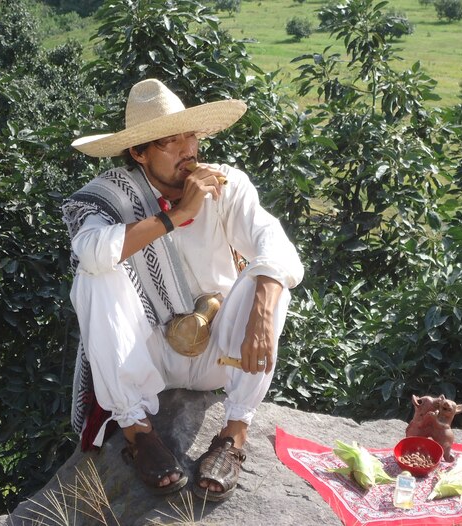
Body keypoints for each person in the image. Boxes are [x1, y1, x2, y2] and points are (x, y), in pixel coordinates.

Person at [61, 78, 304, 500]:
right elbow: (90, 251)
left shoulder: (226, 184)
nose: (188, 149)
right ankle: (139, 434)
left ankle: (233, 435)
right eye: (170, 142)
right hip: (150, 359)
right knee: (94, 271)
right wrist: (177, 214)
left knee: (268, 275)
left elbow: (275, 244)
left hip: (219, 353)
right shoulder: (109, 196)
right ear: (138, 153)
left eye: (190, 135)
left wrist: (263, 310)